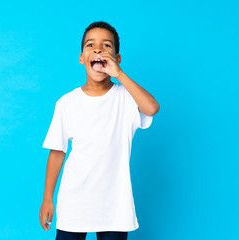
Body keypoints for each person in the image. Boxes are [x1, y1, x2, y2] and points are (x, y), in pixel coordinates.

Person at [39, 21, 160, 240]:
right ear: (81, 57)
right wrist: (48, 198)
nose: (98, 50)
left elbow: (152, 108)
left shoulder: (126, 98)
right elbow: (57, 151)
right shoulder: (66, 103)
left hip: (114, 204)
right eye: (90, 45)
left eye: (106, 46)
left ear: (117, 58)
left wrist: (120, 74)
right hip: (74, 200)